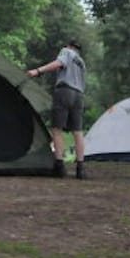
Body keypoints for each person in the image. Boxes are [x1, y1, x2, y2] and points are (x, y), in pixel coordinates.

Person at [27, 39, 88, 179]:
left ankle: (59, 167)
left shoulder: (66, 52)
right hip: (79, 95)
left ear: (68, 46)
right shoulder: (81, 62)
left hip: (64, 91)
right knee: (78, 132)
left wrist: (37, 71)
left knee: (57, 129)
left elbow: (59, 63)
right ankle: (80, 168)